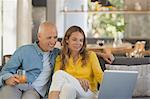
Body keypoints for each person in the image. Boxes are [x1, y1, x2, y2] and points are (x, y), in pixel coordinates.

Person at [0, 22, 60, 99]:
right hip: (16, 85)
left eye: (55, 37)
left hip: (34, 91)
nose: (53, 41)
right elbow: (5, 71)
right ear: (39, 36)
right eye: (49, 38)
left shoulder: (57, 54)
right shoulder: (24, 50)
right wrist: (7, 79)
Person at [48, 26, 103, 99]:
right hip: (71, 91)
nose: (78, 43)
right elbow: (56, 80)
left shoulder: (90, 56)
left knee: (59, 74)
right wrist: (78, 80)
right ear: (67, 40)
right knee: (68, 87)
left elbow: (100, 76)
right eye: (74, 39)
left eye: (81, 40)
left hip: (88, 92)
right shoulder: (60, 58)